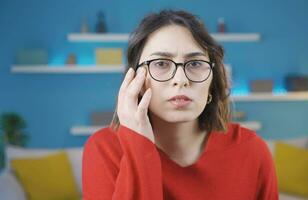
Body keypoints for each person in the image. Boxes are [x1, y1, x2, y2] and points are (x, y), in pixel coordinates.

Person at [82, 9, 279, 200]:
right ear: (135, 81)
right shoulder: (103, 149)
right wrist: (138, 147)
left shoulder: (252, 150)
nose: (181, 79)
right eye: (160, 63)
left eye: (194, 64)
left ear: (211, 83)